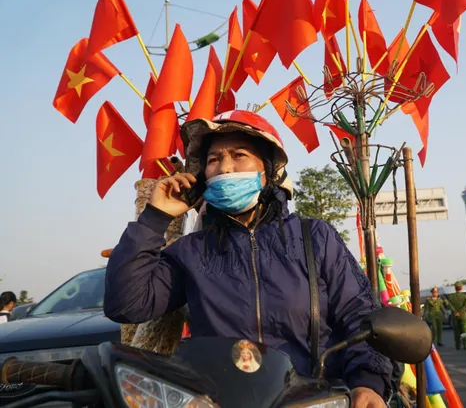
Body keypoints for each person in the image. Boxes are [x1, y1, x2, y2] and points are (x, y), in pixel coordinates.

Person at [104, 110, 392, 407]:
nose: (225, 168)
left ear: (269, 170)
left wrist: (368, 383)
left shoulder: (315, 238)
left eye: (239, 155)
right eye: (214, 160)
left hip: (312, 400)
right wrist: (154, 218)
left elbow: (361, 319)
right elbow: (127, 304)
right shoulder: (191, 251)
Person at [447, 282, 466, 350]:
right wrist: (460, 312)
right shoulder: (464, 296)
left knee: (456, 331)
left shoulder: (451, 296)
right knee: (465, 331)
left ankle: (458, 345)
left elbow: (449, 305)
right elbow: (465, 306)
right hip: (463, 316)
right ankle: (465, 345)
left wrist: (455, 312)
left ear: (455, 288)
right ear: (461, 287)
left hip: (455, 316)